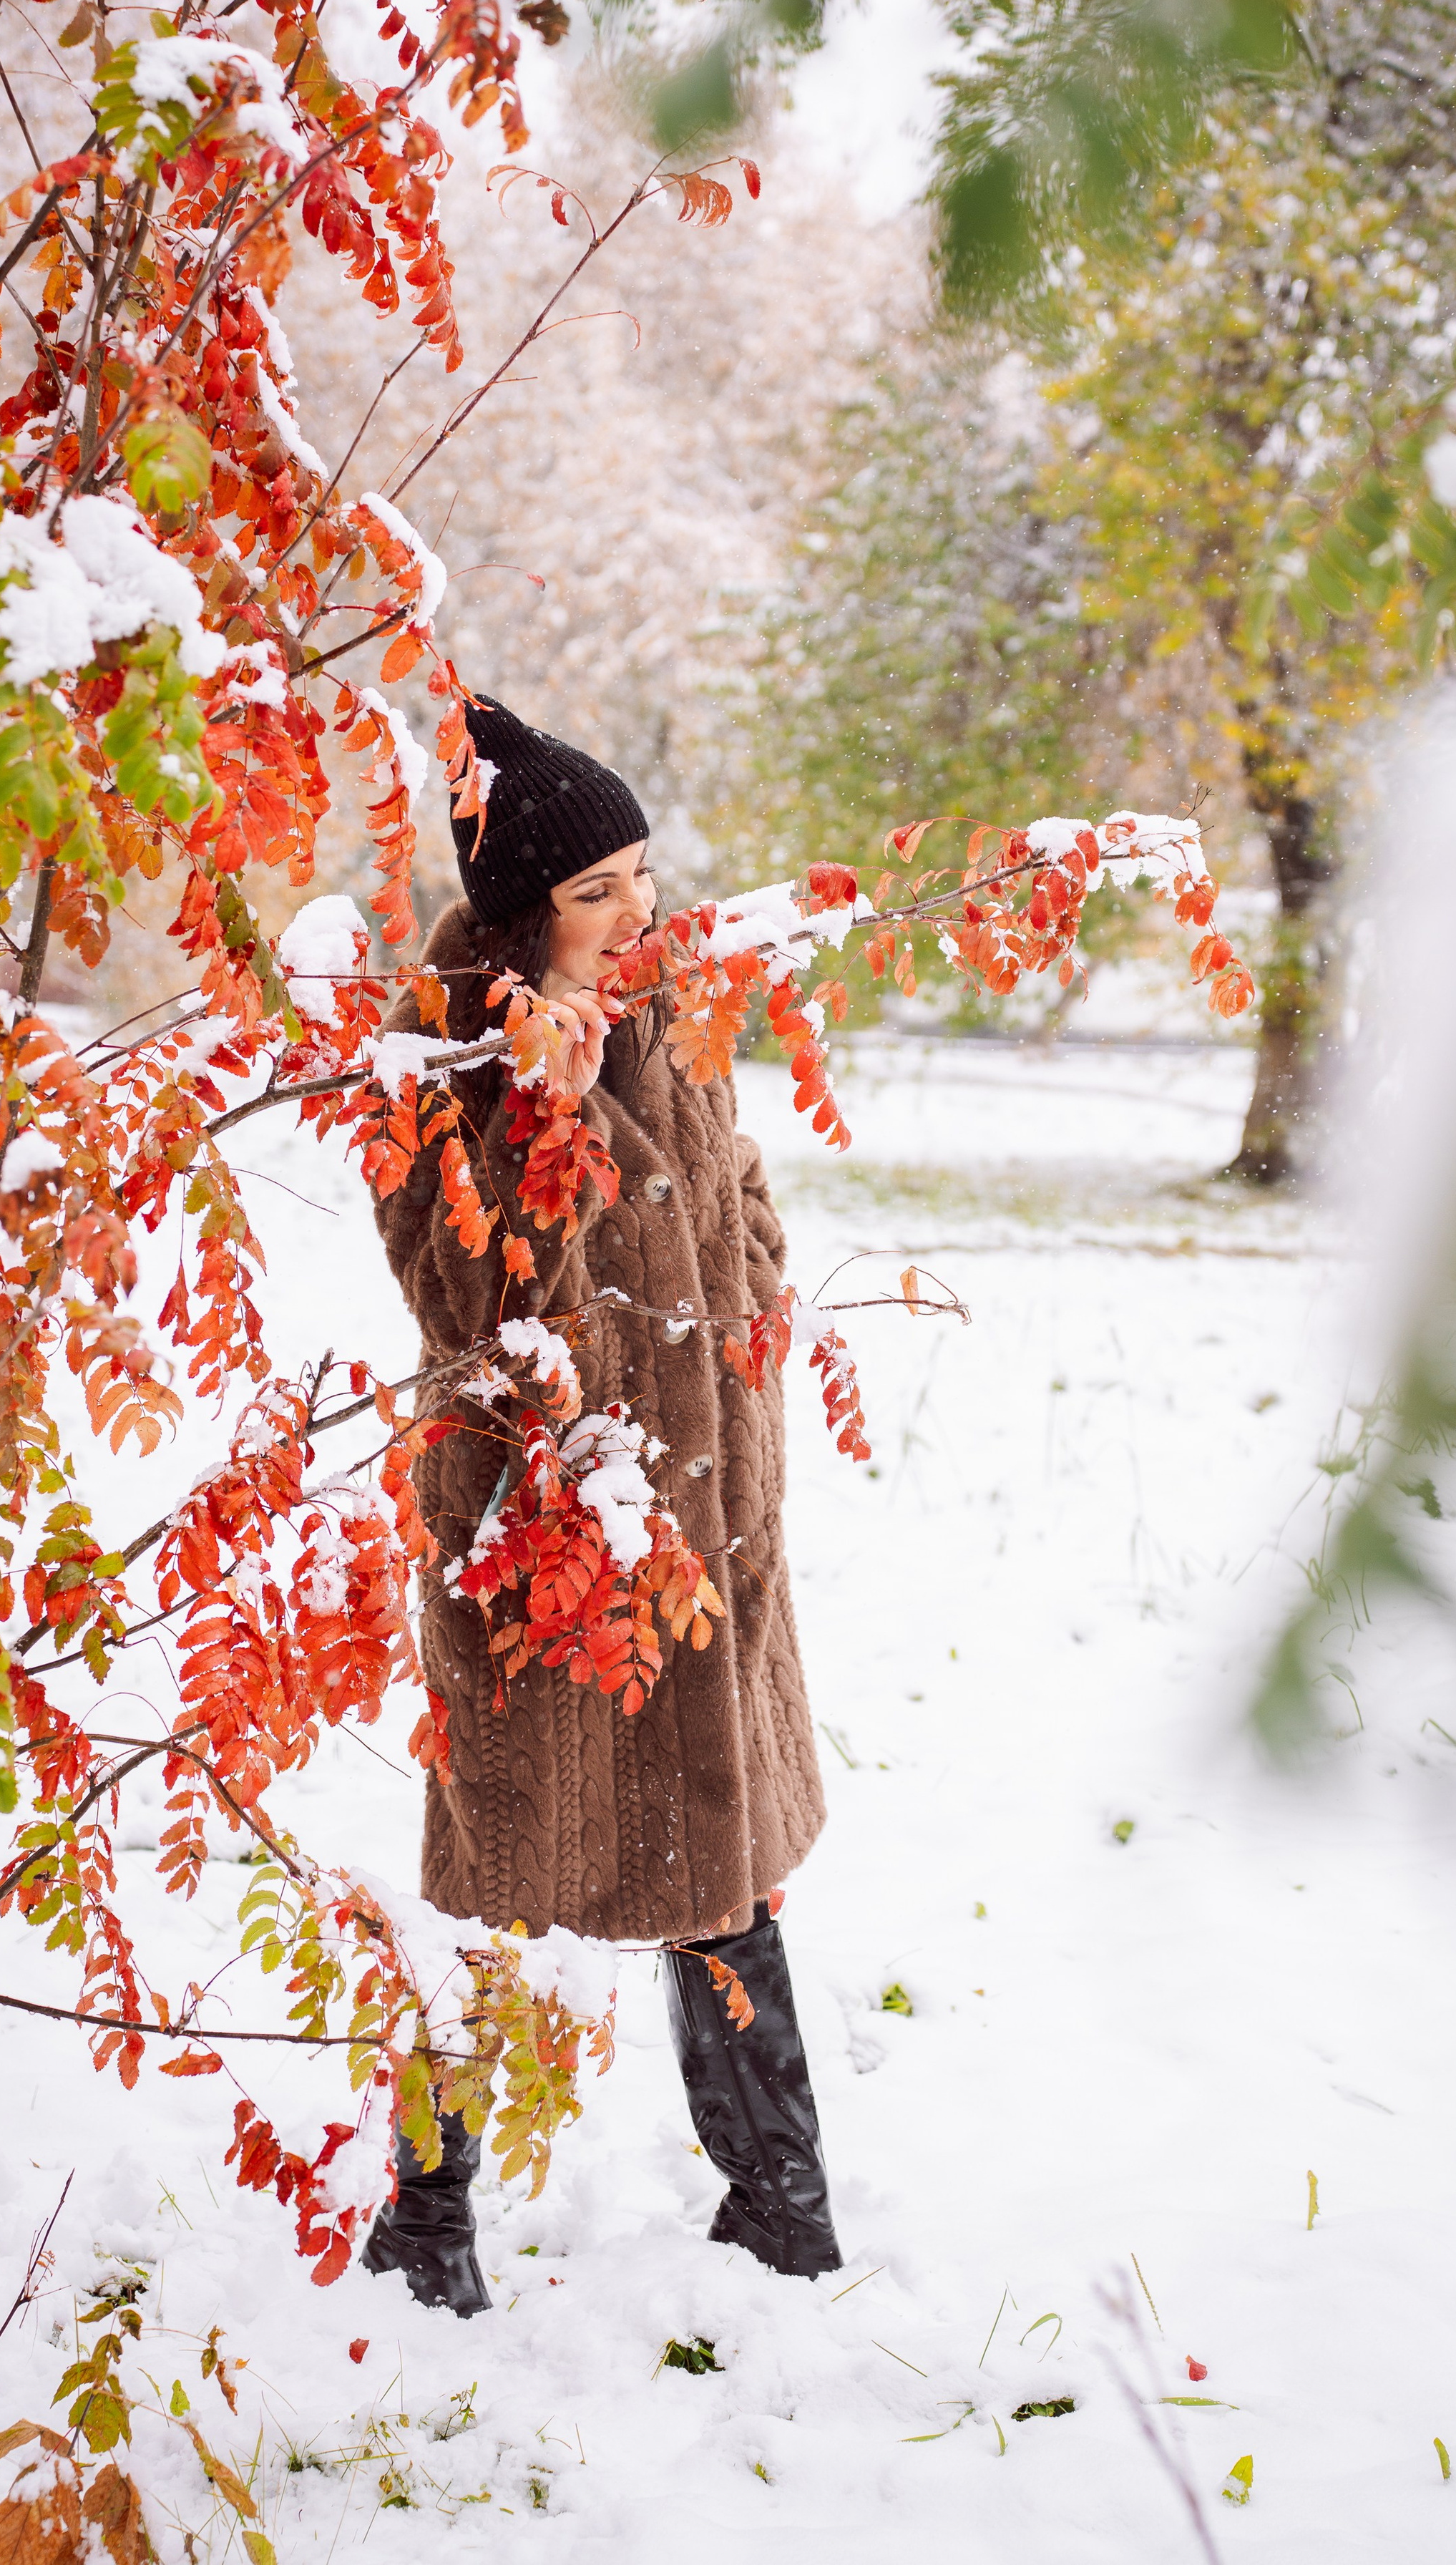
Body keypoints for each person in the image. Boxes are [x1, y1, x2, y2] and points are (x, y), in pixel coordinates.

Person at [363, 693, 841, 2315]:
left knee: (730, 1859)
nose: (638, 910)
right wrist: (544, 1107)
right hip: (549, 1534)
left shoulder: (670, 1010)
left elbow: (739, 1190)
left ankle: (779, 2203)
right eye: (598, 890)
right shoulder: (446, 1070)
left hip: (707, 1521)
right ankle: (425, 2222)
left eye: (641, 873)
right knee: (501, 1860)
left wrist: (753, 1318)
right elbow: (470, 1313)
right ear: (516, 918)